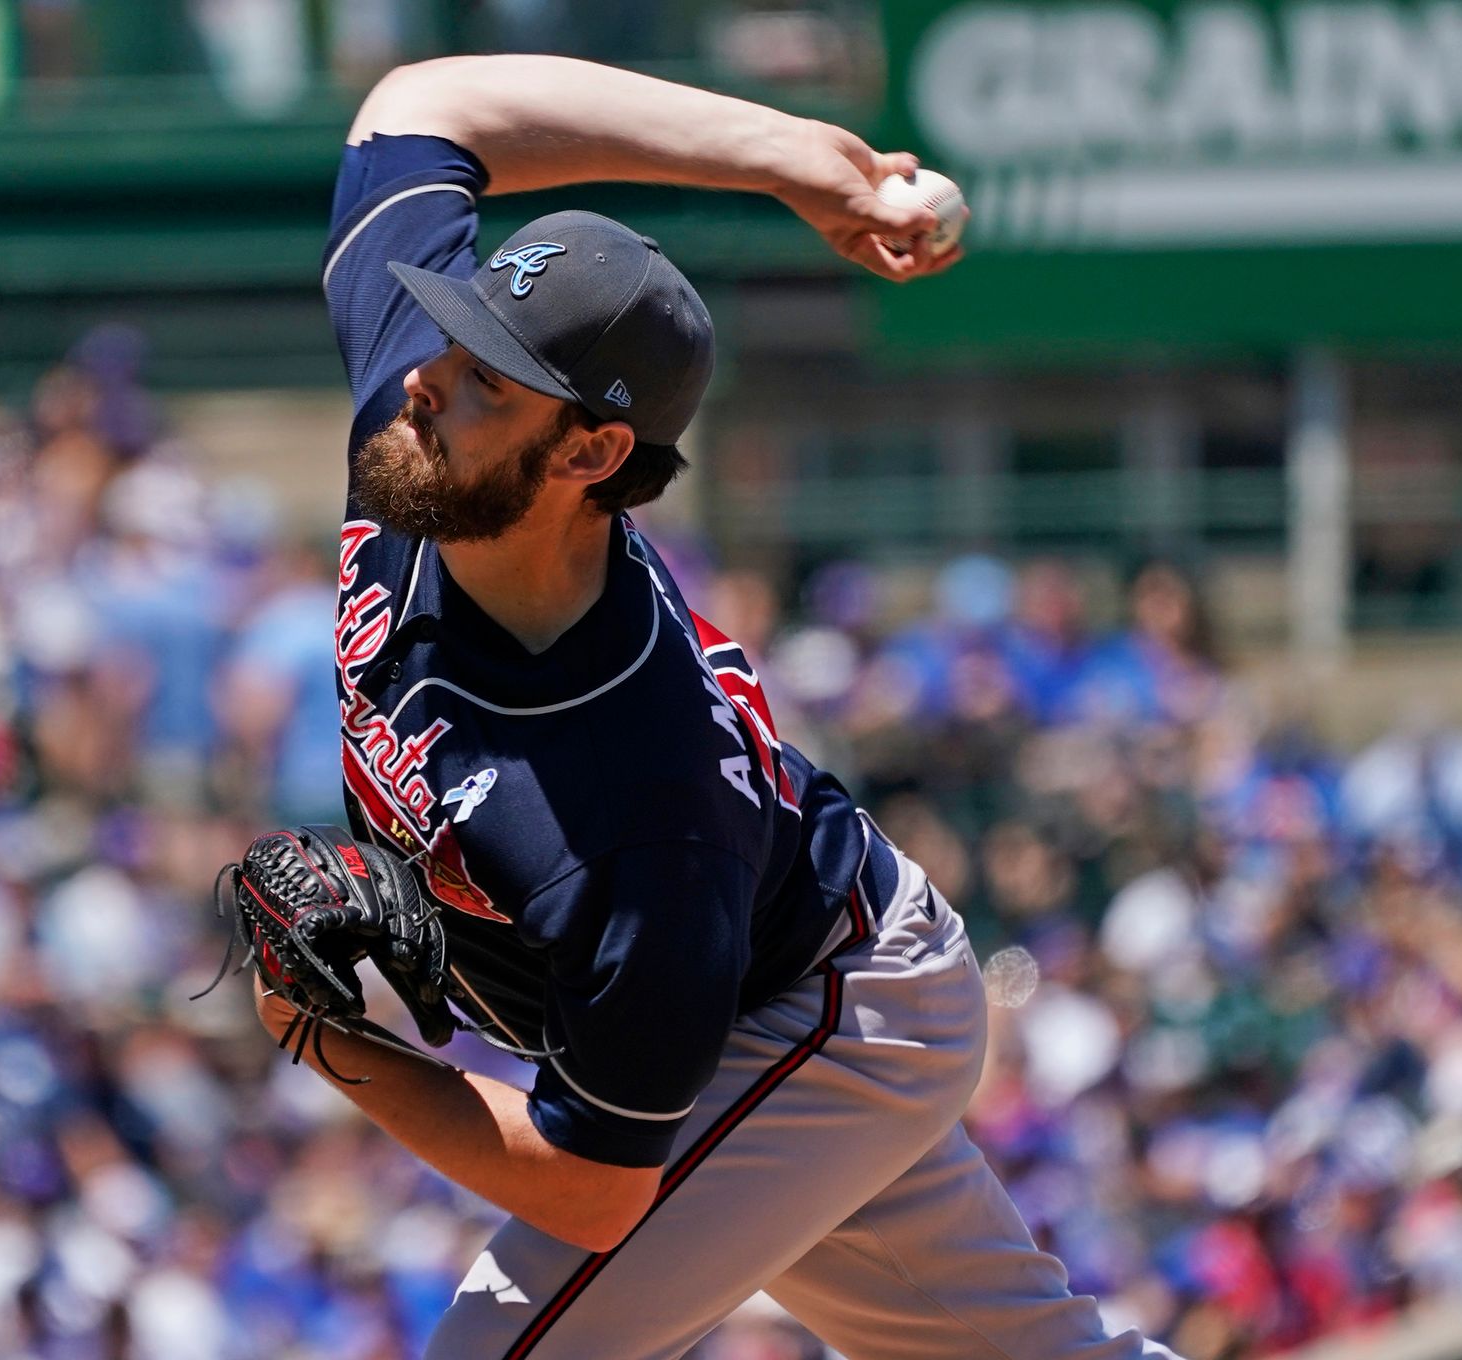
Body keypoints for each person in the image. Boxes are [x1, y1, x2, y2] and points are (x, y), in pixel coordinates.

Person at [252, 53, 1180, 1359]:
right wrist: (787, 156)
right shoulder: (430, 432)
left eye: (487, 379)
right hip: (757, 976)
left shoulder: (629, 804)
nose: (423, 378)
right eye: (451, 338)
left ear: (591, 452)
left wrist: (330, 1043)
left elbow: (592, 1185)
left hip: (815, 1014)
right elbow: (426, 102)